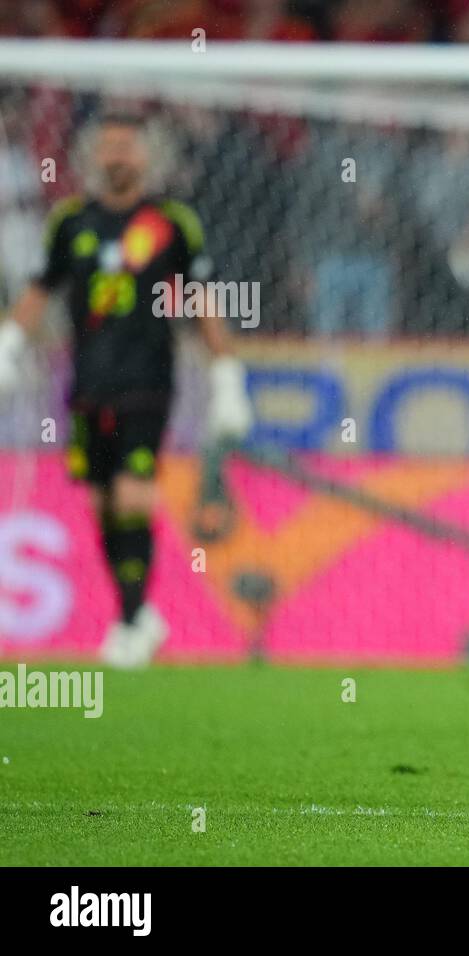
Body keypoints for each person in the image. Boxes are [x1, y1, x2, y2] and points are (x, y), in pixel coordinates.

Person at [0, 112, 253, 667]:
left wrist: (226, 377)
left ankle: (134, 621)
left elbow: (201, 299)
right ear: (93, 156)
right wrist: (10, 345)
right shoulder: (70, 223)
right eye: (108, 146)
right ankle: (136, 614)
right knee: (100, 501)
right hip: (88, 382)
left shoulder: (171, 223)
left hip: (147, 381)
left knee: (134, 493)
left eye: (127, 147)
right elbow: (42, 288)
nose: (117, 156)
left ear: (144, 156)